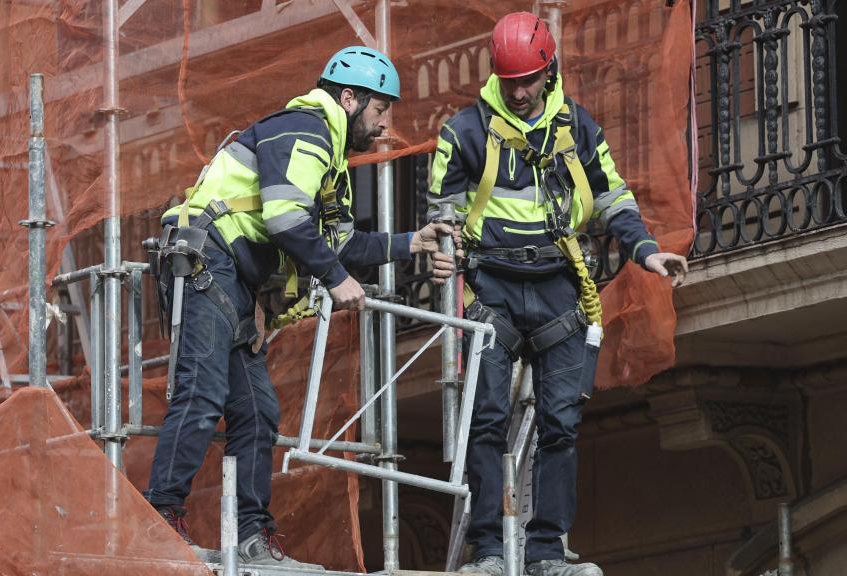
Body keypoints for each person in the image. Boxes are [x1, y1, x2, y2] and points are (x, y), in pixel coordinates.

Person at [145, 46, 459, 569]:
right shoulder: (304, 130)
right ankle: (158, 524)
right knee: (201, 394)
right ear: (350, 98)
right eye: (381, 112)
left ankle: (251, 538)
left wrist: (412, 244)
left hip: (227, 277)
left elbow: (334, 241)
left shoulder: (326, 154)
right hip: (206, 265)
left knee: (258, 410)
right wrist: (337, 281)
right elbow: (286, 220)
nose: (384, 127)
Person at [427, 12, 688, 576]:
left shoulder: (579, 127)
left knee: (561, 425)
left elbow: (613, 196)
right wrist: (441, 248)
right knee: (487, 421)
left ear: (549, 71)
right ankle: (490, 551)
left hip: (559, 291)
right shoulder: (464, 131)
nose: (520, 92)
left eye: (529, 80)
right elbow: (441, 211)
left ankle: (547, 554)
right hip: (492, 288)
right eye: (510, 80)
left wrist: (646, 251)